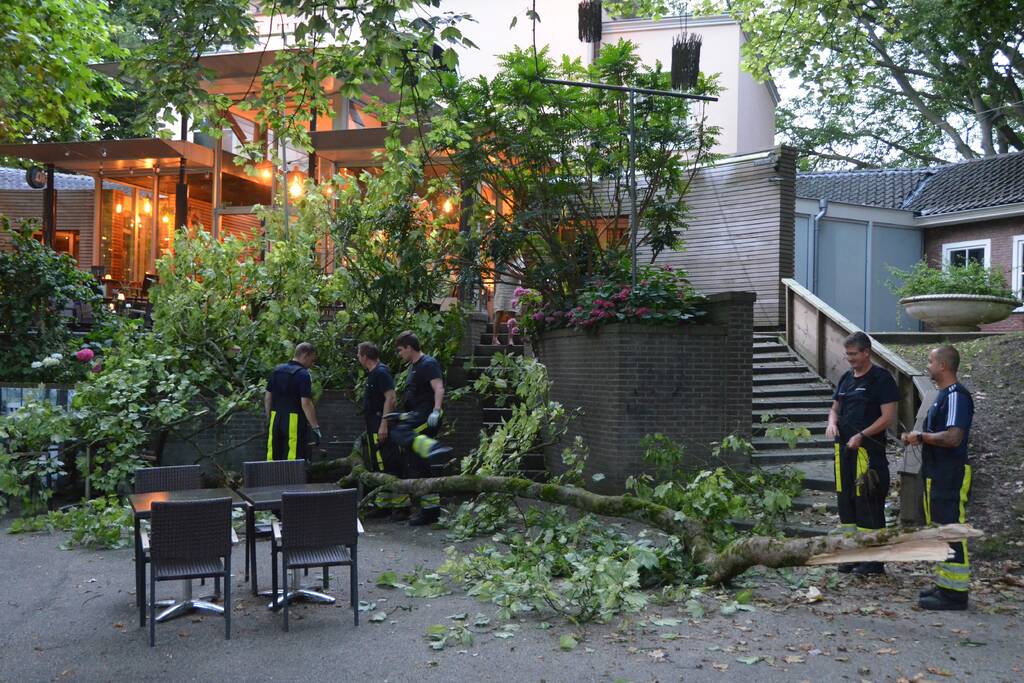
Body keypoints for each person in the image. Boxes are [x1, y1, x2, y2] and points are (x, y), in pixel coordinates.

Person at [901, 346, 974, 611]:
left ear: (943, 365)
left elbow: (954, 437)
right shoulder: (942, 395)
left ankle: (956, 594)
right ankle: (946, 585)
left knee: (951, 529)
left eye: (931, 361)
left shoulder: (956, 396)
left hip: (950, 474)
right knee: (941, 530)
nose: (927, 365)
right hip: (937, 474)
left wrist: (921, 437)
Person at [825, 331, 899, 575]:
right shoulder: (846, 378)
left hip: (869, 454)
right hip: (844, 453)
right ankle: (853, 554)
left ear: (866, 352)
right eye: (847, 354)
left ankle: (873, 561)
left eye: (854, 354)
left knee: (868, 503)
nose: (850, 359)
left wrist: (862, 435)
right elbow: (834, 408)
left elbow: (887, 417)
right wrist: (832, 423)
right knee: (847, 504)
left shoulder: (882, 379)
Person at [389, 330, 451, 526]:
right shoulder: (414, 367)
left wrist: (436, 411)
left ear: (409, 348)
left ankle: (432, 447)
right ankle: (430, 510)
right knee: (419, 465)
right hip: (417, 415)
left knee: (398, 432)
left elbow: (438, 388)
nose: (400, 354)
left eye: (400, 350)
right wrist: (402, 415)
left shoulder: (428, 364)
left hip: (427, 416)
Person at [357, 341, 410, 520]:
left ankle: (401, 506)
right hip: (374, 426)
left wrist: (384, 424)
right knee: (379, 465)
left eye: (359, 355)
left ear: (365, 356)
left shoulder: (381, 372)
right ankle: (384, 505)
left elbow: (391, 398)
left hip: (381, 426)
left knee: (391, 464)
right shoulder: (374, 374)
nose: (358, 358)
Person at [264, 342, 321, 461]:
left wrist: (269, 418)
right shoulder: (303, 374)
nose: (312, 364)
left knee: (273, 453)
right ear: (305, 355)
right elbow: (306, 403)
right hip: (293, 420)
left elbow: (268, 397)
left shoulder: (277, 371)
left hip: (275, 418)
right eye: (312, 360)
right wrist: (315, 427)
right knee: (292, 456)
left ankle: (272, 473)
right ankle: (291, 474)